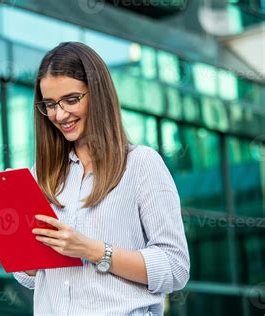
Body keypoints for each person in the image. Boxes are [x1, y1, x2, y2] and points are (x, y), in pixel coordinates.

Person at [12, 42, 190, 315]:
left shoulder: (140, 164)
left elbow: (175, 267)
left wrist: (93, 250)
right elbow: (31, 277)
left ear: (97, 94)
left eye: (71, 100)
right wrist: (21, 250)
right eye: (50, 104)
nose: (60, 115)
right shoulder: (42, 175)